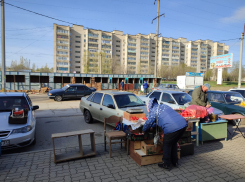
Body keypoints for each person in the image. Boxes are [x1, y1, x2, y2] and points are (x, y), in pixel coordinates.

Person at [143, 98, 187, 170]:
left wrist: (144, 130)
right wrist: (153, 126)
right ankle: (175, 162)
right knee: (173, 143)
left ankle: (166, 164)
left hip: (172, 128)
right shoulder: (164, 106)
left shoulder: (154, 110)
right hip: (183, 125)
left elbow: (148, 123)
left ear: (150, 106)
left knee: (167, 145)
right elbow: (161, 120)